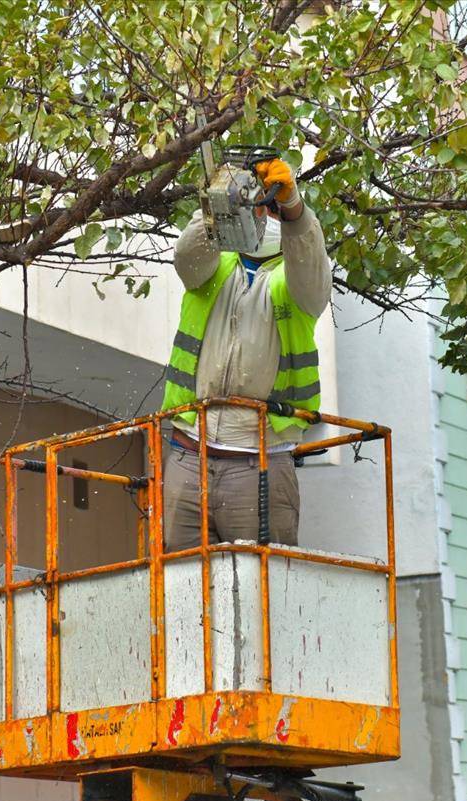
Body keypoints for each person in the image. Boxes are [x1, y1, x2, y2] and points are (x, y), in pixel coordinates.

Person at [161, 158, 331, 552]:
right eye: (255, 204)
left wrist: (294, 211)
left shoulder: (293, 281)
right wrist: (220, 199)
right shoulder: (213, 268)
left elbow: (310, 267)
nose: (261, 214)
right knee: (182, 591)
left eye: (268, 206)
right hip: (190, 454)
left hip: (261, 462)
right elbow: (187, 255)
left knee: (261, 597)